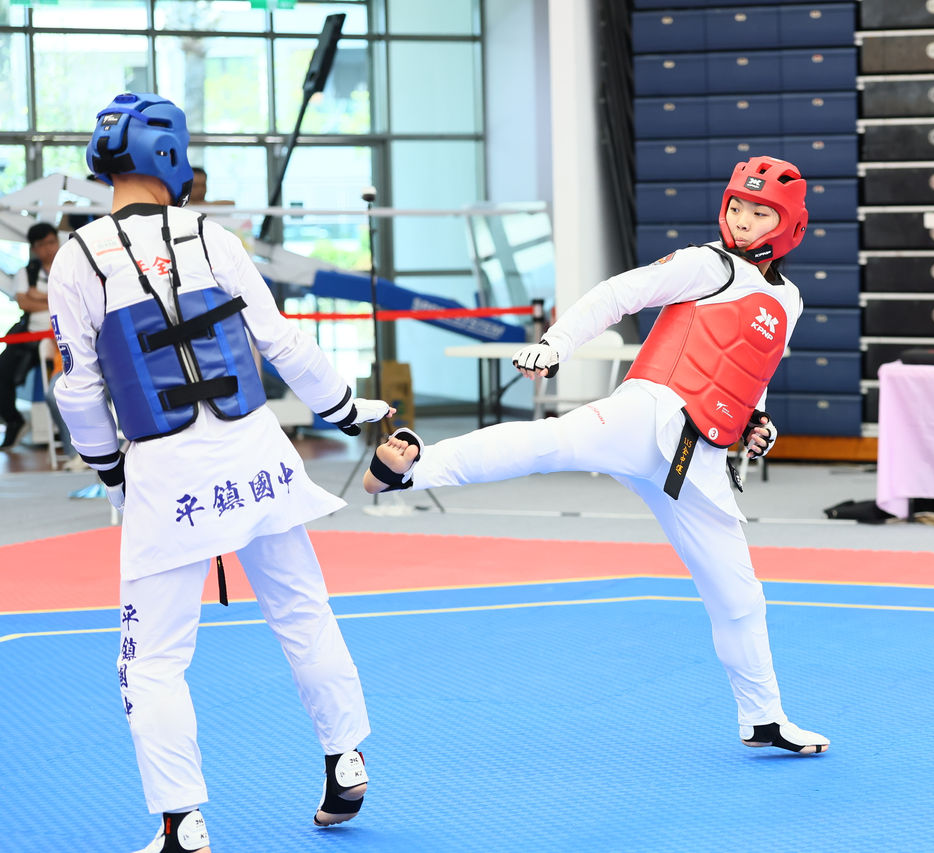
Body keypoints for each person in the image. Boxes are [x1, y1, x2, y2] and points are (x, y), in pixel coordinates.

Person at [364, 155, 830, 757]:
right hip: (648, 414)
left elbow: (752, 373)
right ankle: (408, 471)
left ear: (789, 225)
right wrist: (556, 343)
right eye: (736, 206)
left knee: (740, 599)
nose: (742, 220)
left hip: (700, 460)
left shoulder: (789, 301)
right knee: (550, 442)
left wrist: (757, 423)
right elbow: (619, 293)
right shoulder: (705, 264)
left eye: (759, 212)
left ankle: (763, 718)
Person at [48, 92, 391, 853]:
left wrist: (110, 471)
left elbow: (77, 388)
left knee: (152, 662)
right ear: (170, 156)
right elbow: (281, 341)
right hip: (256, 456)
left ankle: (183, 822)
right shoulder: (211, 236)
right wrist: (342, 410)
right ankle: (346, 756)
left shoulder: (77, 258)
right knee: (303, 611)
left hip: (166, 472)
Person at [0, 222, 61, 448]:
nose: (48, 248)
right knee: (2, 374)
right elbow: (24, 302)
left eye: (51, 242)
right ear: (34, 248)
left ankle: (62, 432)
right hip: (31, 337)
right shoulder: (27, 272)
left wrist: (37, 296)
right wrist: (53, 299)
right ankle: (14, 421)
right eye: (42, 244)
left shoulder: (68, 266)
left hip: (61, 337)